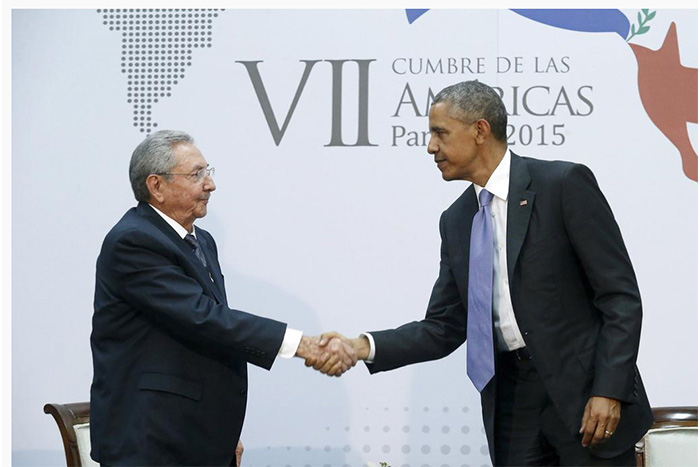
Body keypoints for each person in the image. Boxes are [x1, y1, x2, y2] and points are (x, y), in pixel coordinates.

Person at [321, 80, 653, 466]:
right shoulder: (457, 220)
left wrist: (610, 390)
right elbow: (443, 327)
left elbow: (620, 298)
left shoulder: (562, 185)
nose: (431, 147)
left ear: (480, 130)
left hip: (584, 399)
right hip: (512, 405)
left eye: (440, 133)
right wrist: (361, 346)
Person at [90, 130, 355, 466]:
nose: (210, 184)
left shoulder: (202, 241)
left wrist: (220, 432)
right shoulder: (134, 242)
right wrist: (301, 345)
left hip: (193, 435)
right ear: (156, 186)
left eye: (208, 171)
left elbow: (210, 336)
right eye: (196, 174)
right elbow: (203, 317)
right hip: (151, 442)